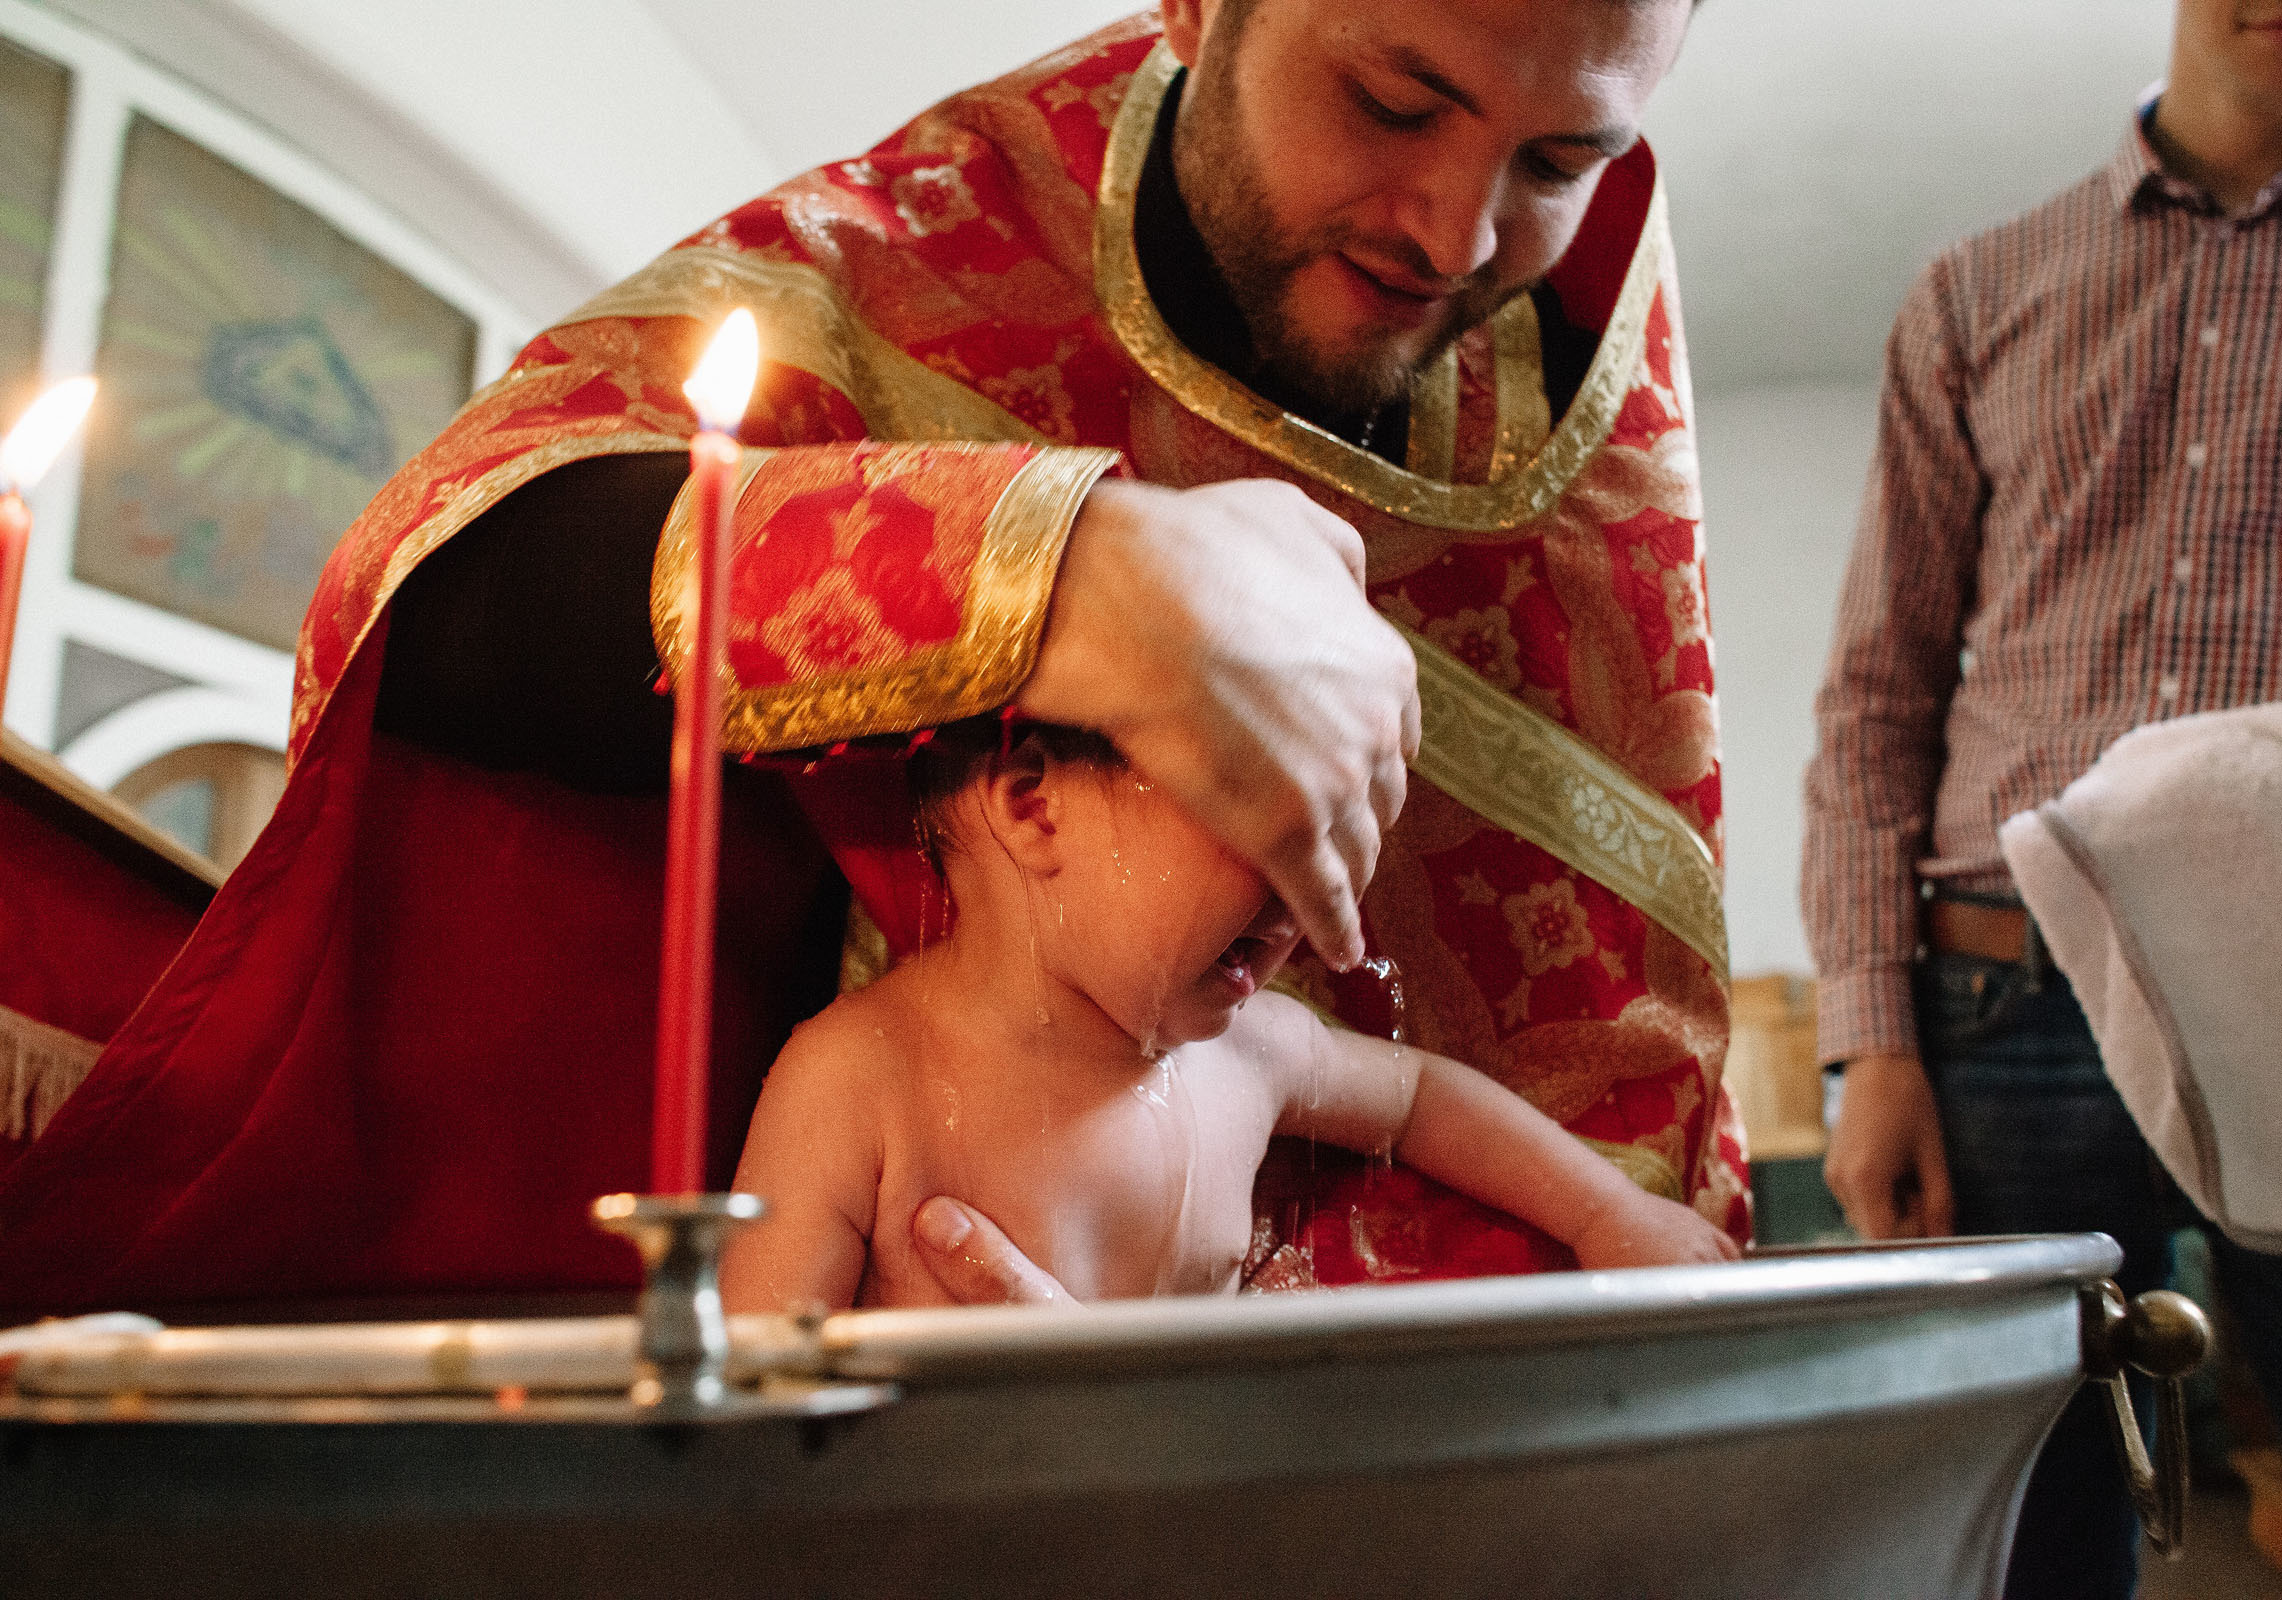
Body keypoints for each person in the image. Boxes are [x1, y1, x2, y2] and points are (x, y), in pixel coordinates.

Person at [0, 0, 1747, 1320]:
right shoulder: (917, 252)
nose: (1454, 234)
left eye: (1558, 164)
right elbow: (434, 576)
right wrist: (1060, 571)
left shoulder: (1575, 322)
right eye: (1395, 97)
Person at [1804, 1, 2282, 1595]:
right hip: (2003, 1007)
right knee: (2020, 1547)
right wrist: (1870, 1040)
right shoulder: (1974, 293)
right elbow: (1878, 695)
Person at [724, 722, 1735, 1312]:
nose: (1322, 912)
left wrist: (1609, 1213)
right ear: (1033, 804)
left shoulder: (1246, 1056)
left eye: (1341, 854)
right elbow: (754, 1425)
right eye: (1276, 830)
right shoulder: (857, 1079)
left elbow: (1419, 1097)